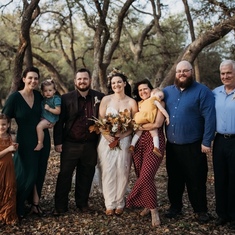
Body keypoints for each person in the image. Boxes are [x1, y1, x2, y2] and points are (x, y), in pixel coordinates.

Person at [163, 60, 216, 223]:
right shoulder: (167, 92)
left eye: (185, 71)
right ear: (175, 73)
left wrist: (207, 141)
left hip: (194, 145)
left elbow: (210, 117)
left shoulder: (203, 91)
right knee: (174, 179)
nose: (182, 74)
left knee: (196, 179)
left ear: (191, 72)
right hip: (172, 145)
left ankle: (201, 210)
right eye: (179, 71)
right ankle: (175, 207)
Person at [53, 68, 105, 215]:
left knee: (86, 174)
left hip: (91, 145)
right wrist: (58, 142)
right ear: (75, 81)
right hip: (70, 144)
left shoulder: (100, 97)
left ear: (90, 80)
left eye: (85, 79)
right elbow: (59, 122)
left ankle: (82, 203)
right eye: (79, 79)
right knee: (65, 175)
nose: (82, 81)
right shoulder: (66, 98)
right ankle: (60, 206)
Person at [2, 67, 51, 220]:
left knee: (40, 172)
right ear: (23, 79)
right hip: (24, 139)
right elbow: (4, 119)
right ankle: (17, 204)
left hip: (42, 139)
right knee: (28, 173)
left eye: (36, 78)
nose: (33, 81)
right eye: (30, 78)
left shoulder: (39, 96)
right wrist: (6, 139)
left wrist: (50, 122)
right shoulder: (14, 98)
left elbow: (49, 113)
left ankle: (35, 204)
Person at [97, 70, 138, 216]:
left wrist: (122, 135)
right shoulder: (106, 100)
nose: (116, 85)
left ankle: (120, 202)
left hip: (124, 140)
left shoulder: (131, 102)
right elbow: (100, 121)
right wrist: (106, 134)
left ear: (125, 83)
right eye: (113, 83)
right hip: (107, 140)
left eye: (119, 82)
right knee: (108, 170)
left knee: (123, 170)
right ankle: (109, 203)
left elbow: (134, 124)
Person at [126, 79, 166, 227]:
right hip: (138, 143)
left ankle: (153, 210)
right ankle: (147, 206)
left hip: (154, 142)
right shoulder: (139, 105)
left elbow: (157, 124)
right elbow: (135, 123)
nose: (143, 92)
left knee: (146, 175)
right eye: (140, 90)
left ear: (151, 89)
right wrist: (138, 126)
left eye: (145, 89)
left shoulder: (159, 102)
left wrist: (140, 126)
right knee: (142, 175)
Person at [212, 59, 235, 230]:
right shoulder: (215, 93)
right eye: (223, 73)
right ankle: (222, 214)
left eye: (229, 73)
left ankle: (233, 215)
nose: (225, 76)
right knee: (220, 178)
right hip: (219, 140)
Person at [129, 87, 169, 157]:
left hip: (139, 118)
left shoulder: (142, 102)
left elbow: (140, 109)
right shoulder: (155, 100)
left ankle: (132, 145)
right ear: (153, 93)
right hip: (148, 118)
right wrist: (167, 117)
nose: (160, 99)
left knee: (138, 132)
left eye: (162, 98)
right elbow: (162, 110)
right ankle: (156, 147)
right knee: (155, 133)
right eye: (159, 96)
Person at [0, 114, 19, 225]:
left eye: (3, 124)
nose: (1, 127)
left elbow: (12, 152)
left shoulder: (10, 137)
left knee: (9, 187)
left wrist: (14, 148)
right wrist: (8, 149)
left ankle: (8, 215)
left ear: (8, 125)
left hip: (9, 167)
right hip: (0, 167)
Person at [34, 79, 61, 151]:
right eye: (45, 91)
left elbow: (58, 111)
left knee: (39, 127)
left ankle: (40, 143)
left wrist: (49, 109)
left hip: (50, 119)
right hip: (45, 117)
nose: (47, 92)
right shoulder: (45, 99)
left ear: (54, 91)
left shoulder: (56, 99)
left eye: (50, 90)